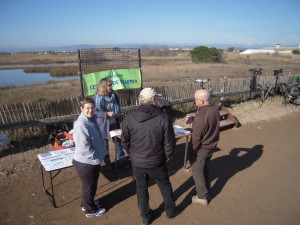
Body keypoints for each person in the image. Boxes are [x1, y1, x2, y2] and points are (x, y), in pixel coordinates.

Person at [121, 87, 177, 225]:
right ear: (153, 100)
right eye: (156, 98)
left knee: (141, 188)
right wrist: (167, 156)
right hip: (157, 161)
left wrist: (132, 155)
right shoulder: (163, 118)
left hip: (138, 162)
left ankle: (145, 217)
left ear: (140, 100)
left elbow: (124, 141)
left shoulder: (129, 119)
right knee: (164, 185)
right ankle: (170, 211)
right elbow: (169, 142)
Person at [72, 97, 106, 217]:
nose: (90, 110)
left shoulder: (91, 119)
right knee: (89, 187)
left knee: (89, 186)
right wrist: (96, 157)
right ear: (81, 109)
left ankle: (85, 203)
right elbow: (83, 148)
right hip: (86, 162)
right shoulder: (81, 124)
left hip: (89, 161)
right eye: (87, 108)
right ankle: (90, 210)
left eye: (92, 107)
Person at [185, 89, 220, 205]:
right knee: (205, 168)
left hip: (201, 148)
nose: (194, 102)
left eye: (195, 100)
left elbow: (196, 138)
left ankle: (202, 197)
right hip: (211, 146)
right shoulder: (214, 110)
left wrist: (193, 150)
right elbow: (207, 122)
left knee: (197, 171)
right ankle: (207, 189)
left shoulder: (201, 115)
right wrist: (194, 119)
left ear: (201, 101)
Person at [94, 78, 130, 170]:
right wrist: (106, 114)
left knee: (118, 142)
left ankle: (122, 159)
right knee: (105, 144)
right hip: (103, 125)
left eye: (111, 85)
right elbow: (95, 112)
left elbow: (118, 107)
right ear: (103, 86)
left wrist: (118, 118)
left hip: (114, 122)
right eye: (109, 85)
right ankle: (107, 163)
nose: (111, 87)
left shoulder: (113, 95)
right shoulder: (97, 98)